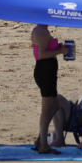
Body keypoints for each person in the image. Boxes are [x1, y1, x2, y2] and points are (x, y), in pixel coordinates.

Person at [30, 24, 74, 154]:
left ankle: (40, 140)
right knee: (47, 109)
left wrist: (58, 48)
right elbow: (41, 55)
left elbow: (45, 50)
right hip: (45, 72)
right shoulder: (40, 32)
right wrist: (61, 51)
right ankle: (43, 145)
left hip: (48, 72)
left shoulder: (43, 30)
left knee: (54, 105)